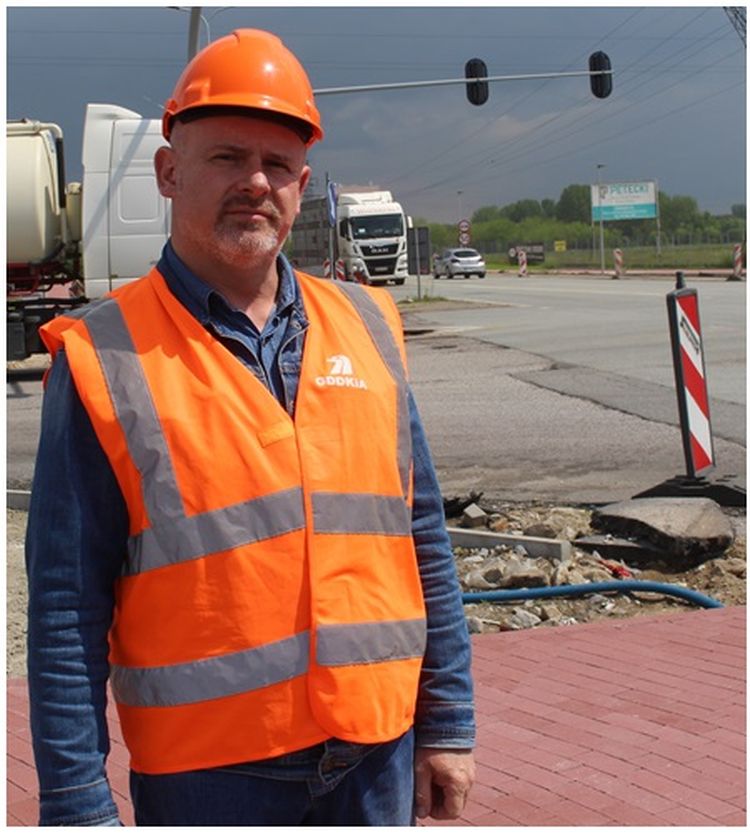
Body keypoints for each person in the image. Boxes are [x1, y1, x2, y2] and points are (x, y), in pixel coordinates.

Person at [25, 29, 475, 825]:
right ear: (169, 172)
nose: (255, 183)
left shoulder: (368, 324)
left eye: (276, 164)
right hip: (211, 781)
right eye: (227, 158)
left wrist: (447, 721)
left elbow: (421, 536)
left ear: (302, 184)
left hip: (378, 757)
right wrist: (72, 798)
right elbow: (66, 604)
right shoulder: (103, 355)